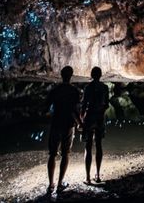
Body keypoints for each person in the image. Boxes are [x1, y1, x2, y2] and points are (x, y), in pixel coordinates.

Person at [45, 65, 81, 195]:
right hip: (68, 125)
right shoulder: (74, 91)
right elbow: (74, 110)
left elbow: (46, 107)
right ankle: (60, 183)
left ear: (61, 75)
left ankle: (50, 185)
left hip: (56, 124)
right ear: (71, 76)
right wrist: (80, 123)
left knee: (52, 154)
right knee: (65, 154)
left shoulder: (55, 90)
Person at [81, 66, 110, 184]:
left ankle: (87, 177)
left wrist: (82, 118)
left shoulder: (88, 87)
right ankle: (98, 175)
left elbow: (84, 104)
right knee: (98, 145)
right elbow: (107, 104)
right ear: (100, 75)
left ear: (92, 75)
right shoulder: (105, 87)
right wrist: (101, 112)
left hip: (90, 117)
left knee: (88, 147)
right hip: (99, 117)